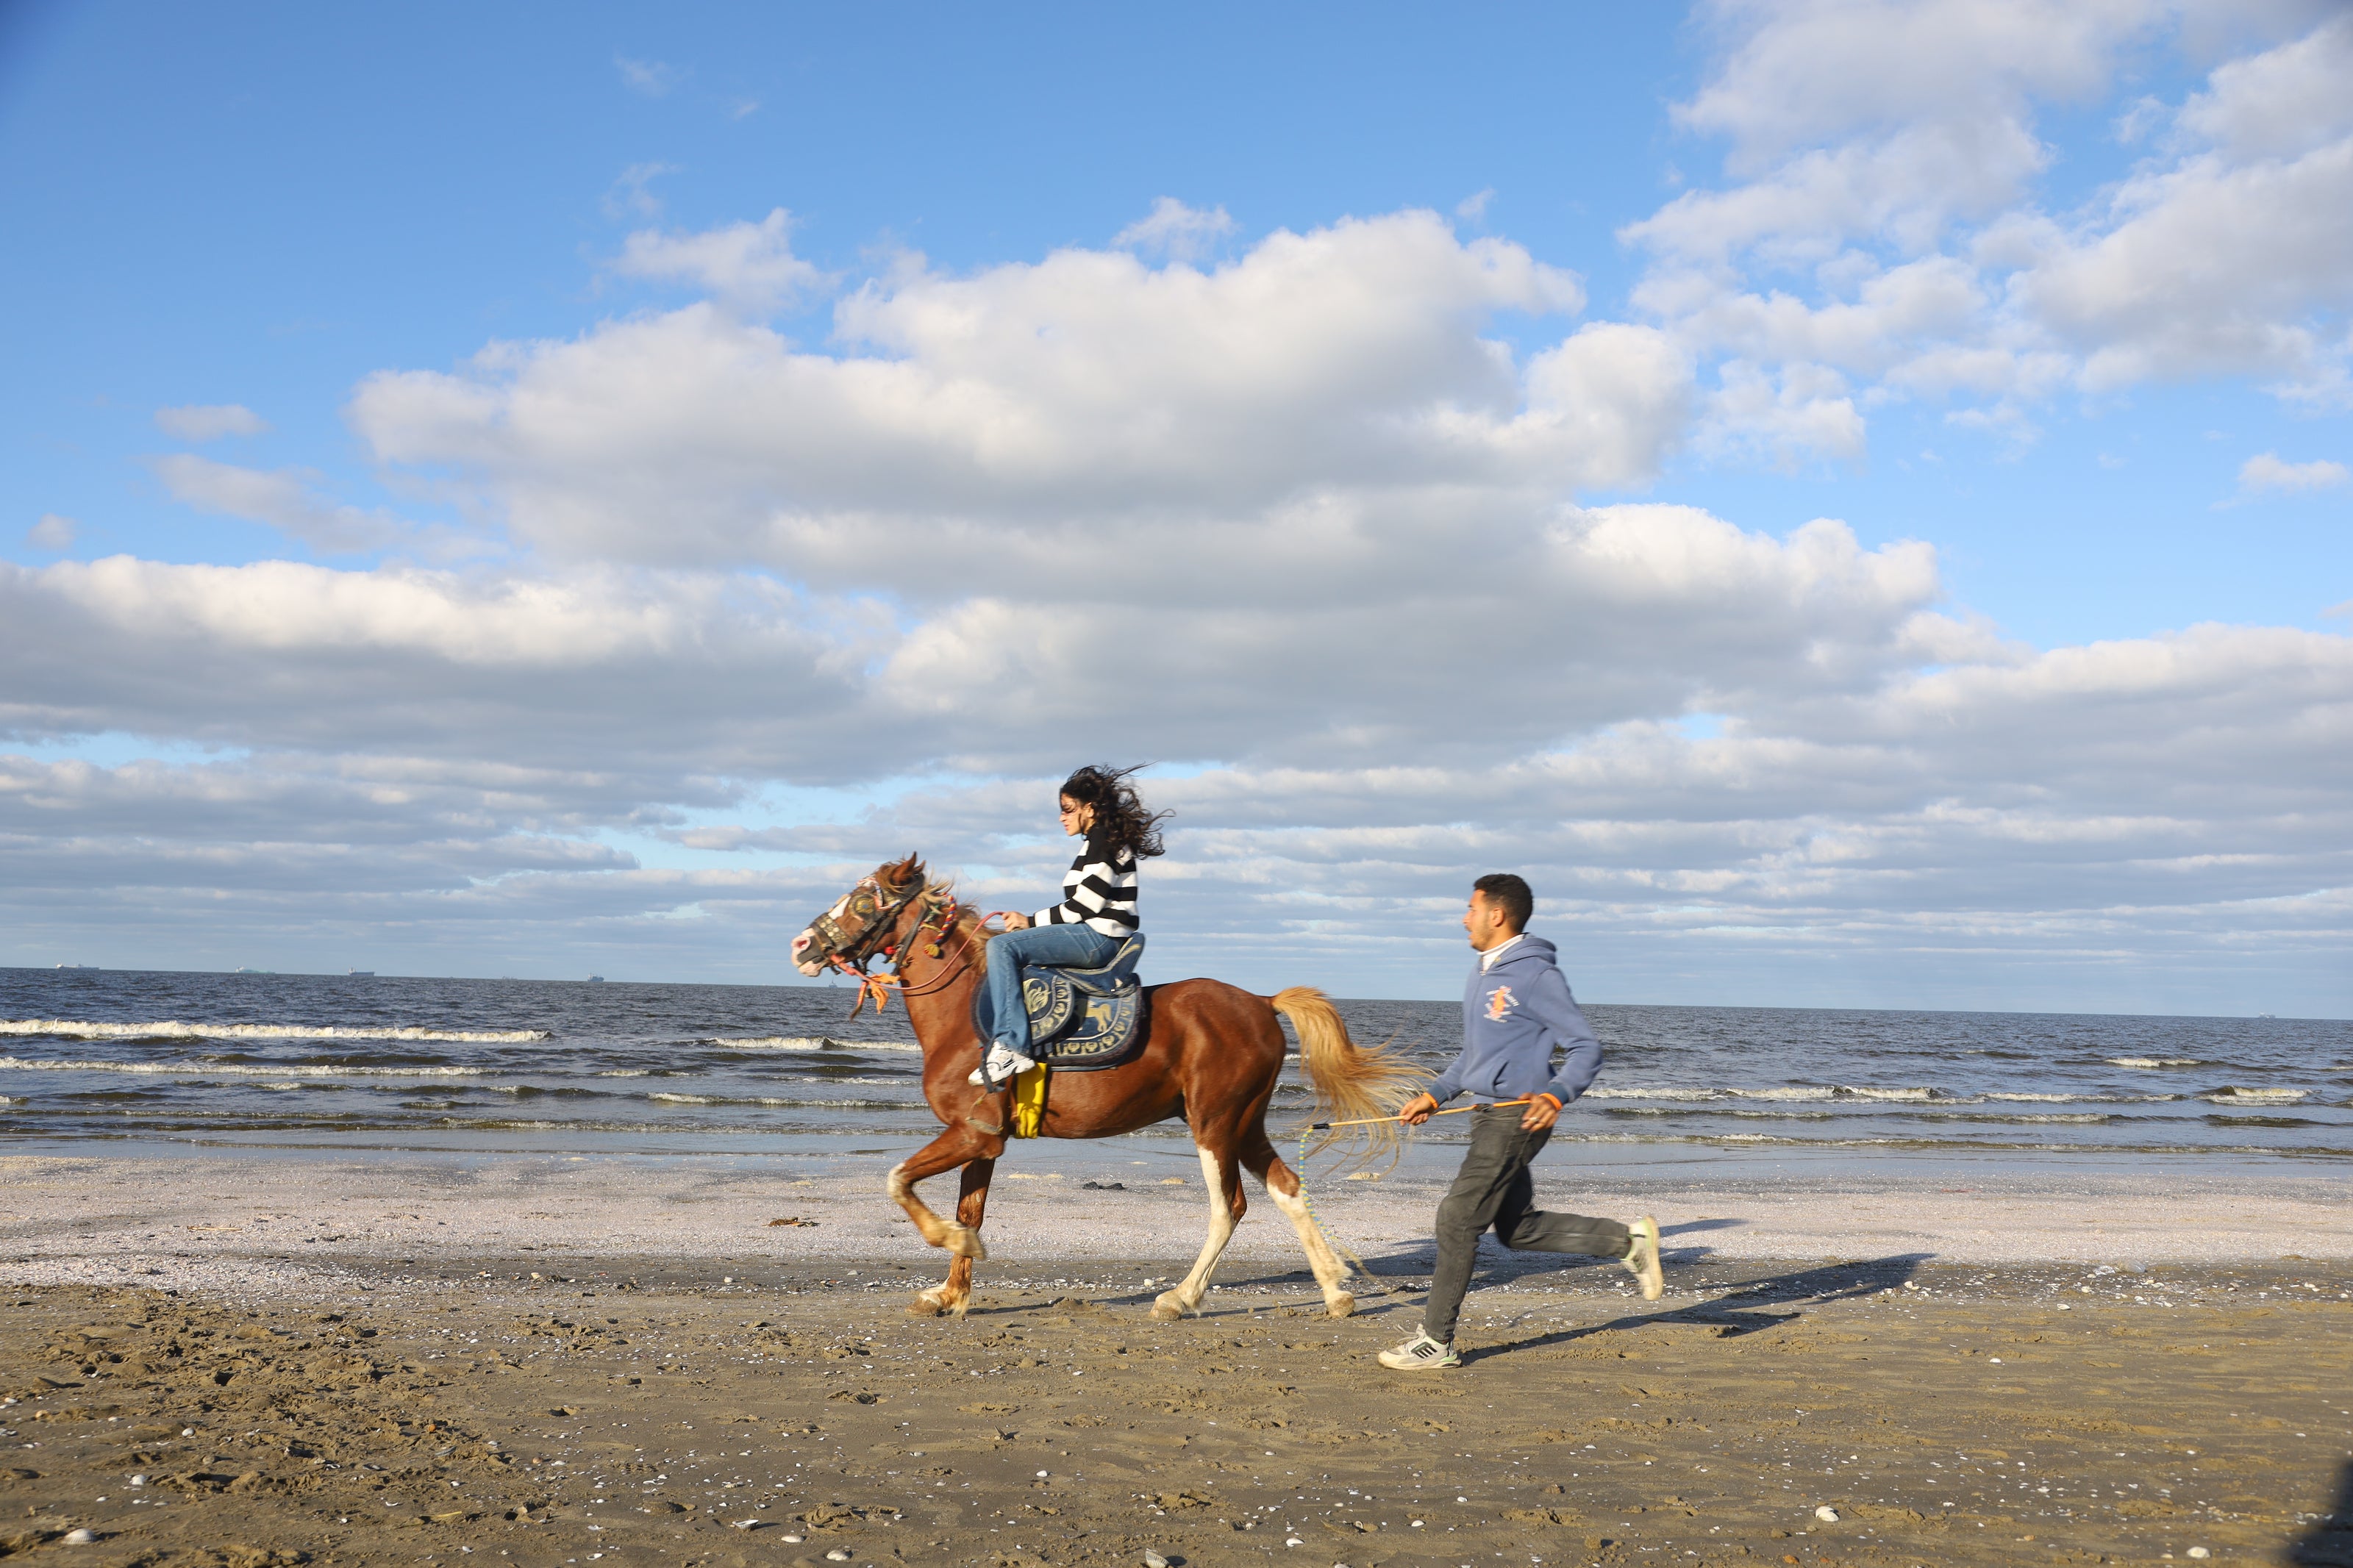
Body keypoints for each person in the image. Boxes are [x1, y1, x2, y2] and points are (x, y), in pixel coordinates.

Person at [1377, 873, 1663, 1372]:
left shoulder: (1534, 975)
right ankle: (1629, 1242)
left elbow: (1585, 1047)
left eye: (1470, 907)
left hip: (1516, 1117)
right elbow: (1473, 1056)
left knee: (1457, 1217)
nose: (1463, 917)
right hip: (1486, 1114)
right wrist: (1434, 1094)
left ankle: (1436, 1340)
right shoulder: (1480, 973)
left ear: (1497, 914)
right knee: (1517, 1227)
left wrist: (1556, 1093)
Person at [968, 765, 1169, 1089]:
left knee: (1001, 946)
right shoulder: (1094, 842)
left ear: (1090, 808)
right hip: (1096, 933)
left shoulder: (1104, 839)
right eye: (1061, 811)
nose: (1062, 817)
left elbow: (1084, 907)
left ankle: (1012, 1046)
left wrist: (1029, 922)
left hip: (1099, 938)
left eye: (1068, 809)